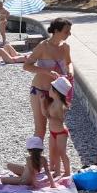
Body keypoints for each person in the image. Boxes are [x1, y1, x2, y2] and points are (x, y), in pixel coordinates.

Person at [23, 17, 75, 170]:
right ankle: (35, 165)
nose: (69, 34)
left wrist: (70, 71)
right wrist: (46, 71)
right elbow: (27, 66)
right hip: (39, 91)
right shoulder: (43, 46)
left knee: (56, 127)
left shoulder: (65, 47)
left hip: (56, 94)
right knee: (40, 128)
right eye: (66, 31)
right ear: (56, 31)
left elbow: (69, 62)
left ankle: (53, 166)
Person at [42, 77, 73, 177]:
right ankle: (56, 170)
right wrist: (42, 103)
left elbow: (60, 119)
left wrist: (51, 117)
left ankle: (67, 171)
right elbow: (45, 114)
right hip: (53, 132)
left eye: (51, 88)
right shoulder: (52, 103)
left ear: (56, 92)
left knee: (62, 152)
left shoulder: (60, 105)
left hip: (61, 133)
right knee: (53, 151)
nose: (49, 90)